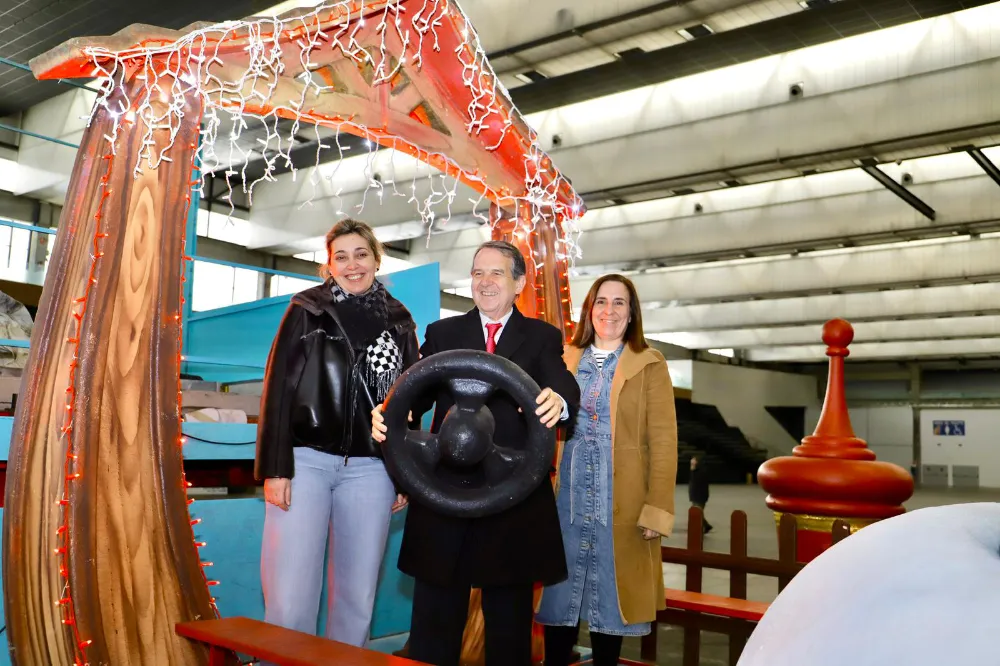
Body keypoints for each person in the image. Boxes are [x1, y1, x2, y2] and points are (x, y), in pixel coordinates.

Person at [371, 240, 580, 666]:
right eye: (477, 272)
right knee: (434, 621)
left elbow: (563, 386)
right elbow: (416, 393)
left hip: (511, 493)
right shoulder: (443, 333)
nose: (485, 282)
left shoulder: (541, 337)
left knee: (508, 625)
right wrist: (391, 412)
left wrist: (558, 401)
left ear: (519, 282)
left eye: (497, 273)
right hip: (445, 491)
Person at [255, 218, 418, 648]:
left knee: (357, 598)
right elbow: (278, 390)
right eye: (340, 257)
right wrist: (276, 467)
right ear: (328, 266)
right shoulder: (306, 309)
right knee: (289, 596)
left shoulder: (400, 321)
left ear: (376, 259)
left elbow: (409, 400)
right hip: (305, 461)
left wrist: (404, 472)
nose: (352, 265)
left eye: (361, 254)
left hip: (372, 469)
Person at [536, 274, 678, 666]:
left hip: (623, 503)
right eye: (601, 301)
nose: (609, 310)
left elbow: (664, 442)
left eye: (619, 303)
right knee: (559, 598)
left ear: (632, 314)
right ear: (589, 309)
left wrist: (657, 508)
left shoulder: (650, 365)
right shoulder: (563, 358)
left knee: (611, 604)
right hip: (566, 500)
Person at [689, 455, 712, 534]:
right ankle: (705, 526)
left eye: (694, 460)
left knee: (698, 513)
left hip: (700, 496)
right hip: (696, 495)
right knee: (697, 512)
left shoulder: (701, 472)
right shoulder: (695, 471)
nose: (692, 461)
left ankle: (705, 526)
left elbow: (699, 485)